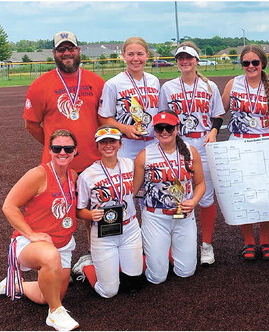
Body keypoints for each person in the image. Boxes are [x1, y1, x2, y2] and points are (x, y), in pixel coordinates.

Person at [0, 129, 80, 331]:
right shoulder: (38, 174)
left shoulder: (72, 175)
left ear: (75, 151)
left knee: (44, 297)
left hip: (62, 245)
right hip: (32, 243)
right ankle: (56, 313)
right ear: (50, 150)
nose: (62, 152)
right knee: (49, 256)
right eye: (57, 148)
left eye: (68, 148)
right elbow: (9, 206)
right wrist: (31, 234)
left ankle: (15, 284)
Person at [158, 41, 225, 266]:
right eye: (180, 58)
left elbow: (218, 115)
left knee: (205, 197)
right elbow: (162, 117)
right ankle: (176, 244)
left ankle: (206, 244)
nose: (185, 62)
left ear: (197, 60)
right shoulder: (168, 87)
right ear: (177, 62)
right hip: (178, 145)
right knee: (177, 193)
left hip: (203, 145)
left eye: (189, 57)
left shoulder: (209, 86)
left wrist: (214, 131)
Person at [221, 44, 269, 261]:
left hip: (264, 145)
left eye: (255, 62)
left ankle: (265, 240)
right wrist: (210, 131)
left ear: (262, 63)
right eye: (246, 63)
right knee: (243, 195)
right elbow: (219, 112)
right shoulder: (233, 83)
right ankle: (248, 241)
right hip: (238, 144)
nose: (250, 66)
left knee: (266, 196)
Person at [133, 111, 205, 284]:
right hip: (156, 216)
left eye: (169, 127)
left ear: (177, 128)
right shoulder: (145, 155)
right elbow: (133, 190)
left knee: (186, 272)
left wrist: (194, 201)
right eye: (159, 128)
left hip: (184, 216)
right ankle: (149, 256)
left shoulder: (190, 151)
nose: (164, 132)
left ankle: (166, 252)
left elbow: (201, 184)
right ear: (155, 130)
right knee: (157, 277)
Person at [72, 126, 143, 297]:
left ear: (120, 143)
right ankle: (85, 266)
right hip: (104, 233)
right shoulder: (87, 175)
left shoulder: (130, 164)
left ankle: (115, 265)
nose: (108, 145)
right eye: (103, 142)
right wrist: (90, 215)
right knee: (109, 292)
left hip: (130, 228)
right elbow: (78, 210)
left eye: (112, 141)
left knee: (133, 284)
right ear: (97, 146)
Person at [23, 31, 104, 173]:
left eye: (71, 48)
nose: (67, 53)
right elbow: (31, 125)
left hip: (93, 164)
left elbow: (105, 119)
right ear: (54, 53)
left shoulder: (97, 82)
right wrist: (57, 146)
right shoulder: (39, 86)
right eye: (61, 49)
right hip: (58, 166)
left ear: (78, 50)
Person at [98, 36, 160, 159]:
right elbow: (103, 118)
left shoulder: (154, 81)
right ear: (123, 55)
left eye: (140, 54)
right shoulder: (113, 84)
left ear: (147, 55)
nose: (135, 59)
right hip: (127, 145)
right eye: (130, 54)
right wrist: (125, 128)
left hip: (154, 142)